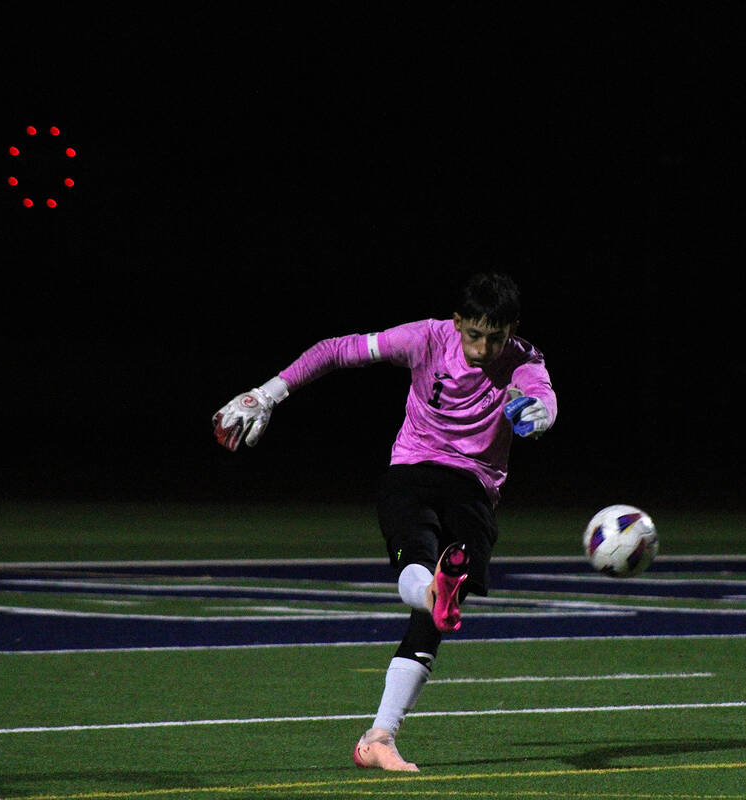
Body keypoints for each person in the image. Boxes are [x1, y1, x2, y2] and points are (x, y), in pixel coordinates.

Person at [211, 272, 557, 771]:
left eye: (496, 338)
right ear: (457, 322)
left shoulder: (524, 359)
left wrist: (539, 414)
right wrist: (266, 394)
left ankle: (379, 735)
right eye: (474, 335)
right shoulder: (425, 339)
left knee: (437, 605)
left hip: (474, 488)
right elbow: (335, 350)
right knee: (423, 562)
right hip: (412, 469)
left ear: (512, 330)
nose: (484, 349)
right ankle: (429, 608)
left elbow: (539, 395)